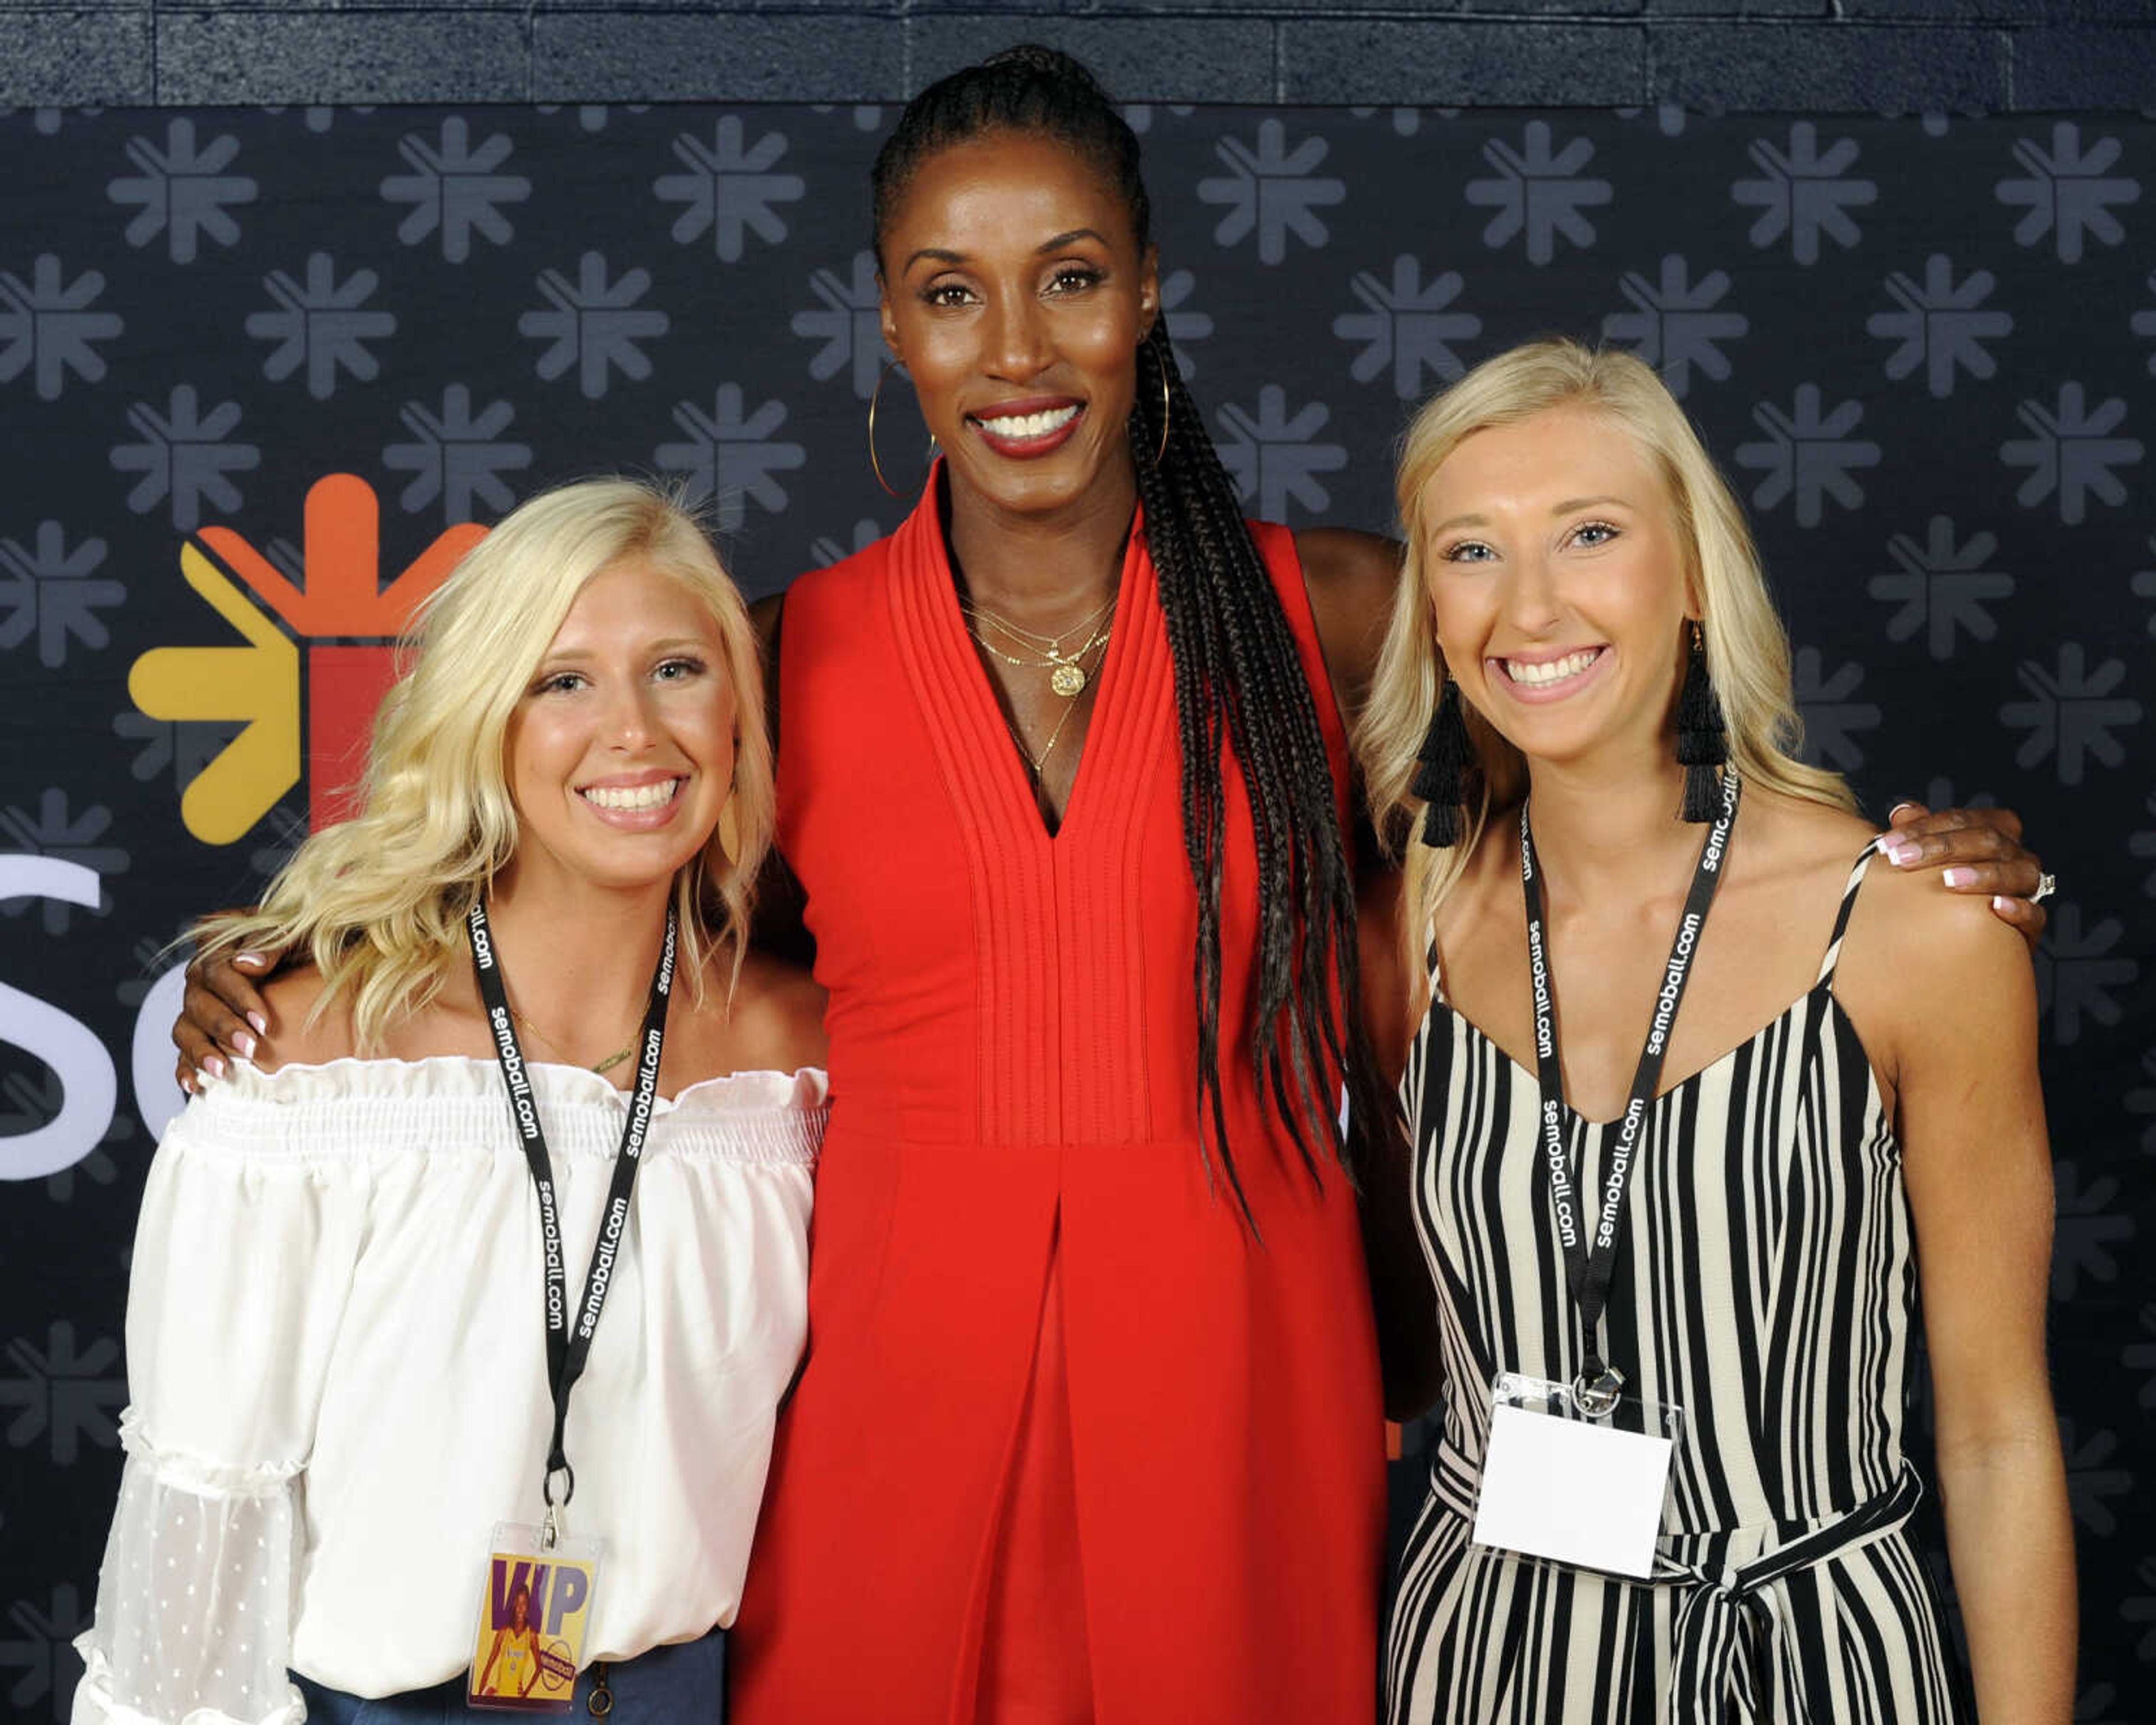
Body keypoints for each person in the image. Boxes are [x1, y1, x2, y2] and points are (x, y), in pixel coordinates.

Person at [172, 52, 2051, 1723]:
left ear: (1144, 295)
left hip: (1239, 1371)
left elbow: (1608, 798)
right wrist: (289, 969)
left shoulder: (1327, 611)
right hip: (890, 1388)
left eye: (1069, 279)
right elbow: (547, 879)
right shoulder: (783, 659)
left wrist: (1896, 863)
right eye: (950, 293)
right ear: (891, 329)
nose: (1015, 348)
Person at [1358, 340, 2073, 1723]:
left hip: (1805, 1650)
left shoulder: (1917, 930)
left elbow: (1994, 1435)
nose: (1531, 604)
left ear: (1691, 575)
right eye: (1471, 551)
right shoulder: (1414, 935)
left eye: (1590, 532)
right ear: (1429, 610)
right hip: (1485, 1658)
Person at [77, 480, 828, 1724]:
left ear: (740, 710)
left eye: (678, 668)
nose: (634, 731)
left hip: (689, 1696)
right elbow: (205, 1516)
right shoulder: (310, 1063)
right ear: (485, 719)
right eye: (564, 680)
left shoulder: (803, 1063)